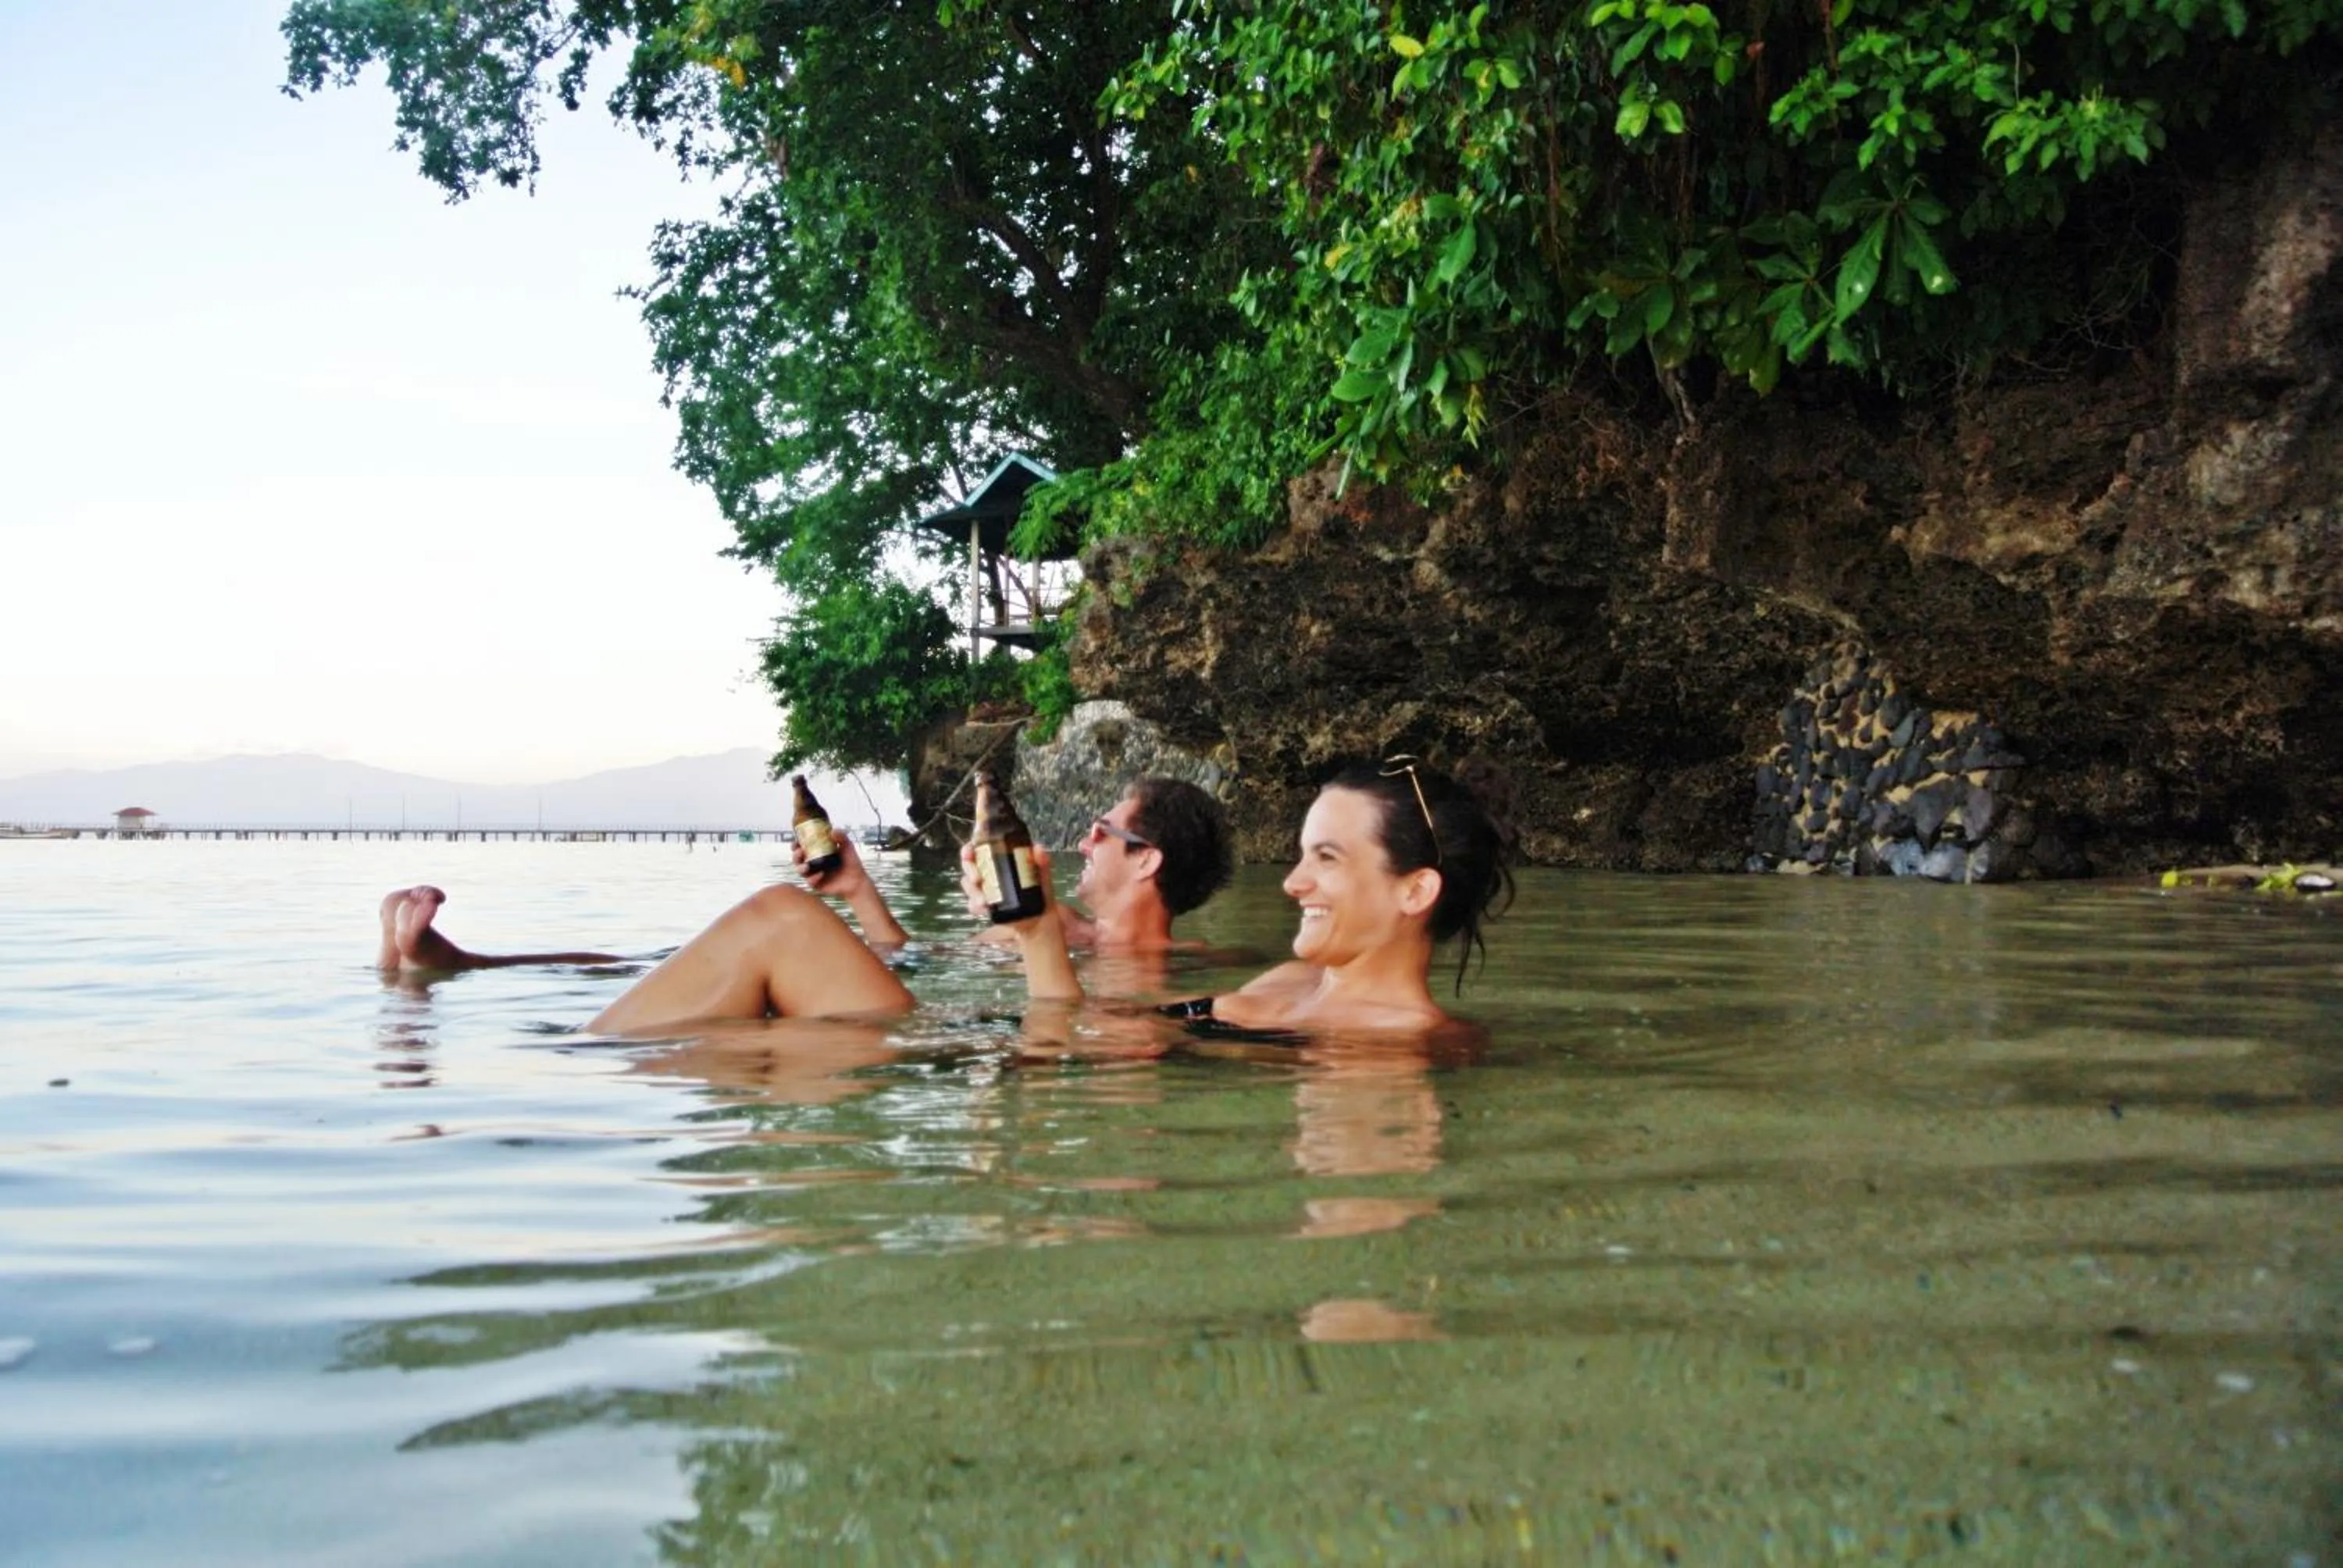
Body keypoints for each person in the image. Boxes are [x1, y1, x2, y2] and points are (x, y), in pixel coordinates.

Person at [374, 775, 1235, 1032]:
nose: (1081, 842)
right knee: (666, 956)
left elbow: (1101, 1034)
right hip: (930, 1019)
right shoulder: (1044, 930)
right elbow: (903, 960)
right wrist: (859, 890)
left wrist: (1038, 939)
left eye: (1099, 830)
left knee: (775, 926)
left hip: (934, 1040)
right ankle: (467, 967)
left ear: (1147, 859)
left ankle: (552, 1049)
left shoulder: (1176, 970)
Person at [998, 755, 1514, 1040]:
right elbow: (1100, 1025)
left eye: (1327, 858)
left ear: (1415, 890)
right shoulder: (1296, 979)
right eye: (1302, 855)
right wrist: (1034, 920)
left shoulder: (1400, 1044)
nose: (1292, 883)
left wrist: (1038, 932)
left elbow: (1073, 1042)